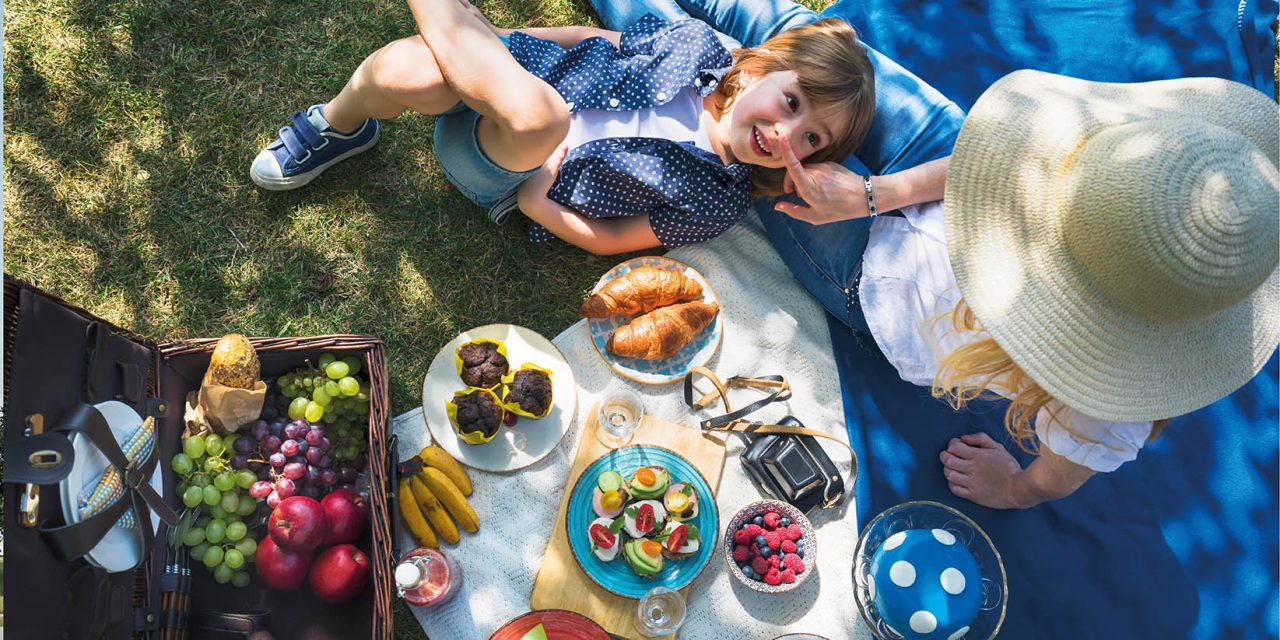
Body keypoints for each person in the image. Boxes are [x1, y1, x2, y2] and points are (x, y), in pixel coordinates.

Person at [587, 0, 1279, 508]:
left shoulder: (1110, 398)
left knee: (754, 141)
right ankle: (658, 37)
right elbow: (995, 158)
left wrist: (1011, 489)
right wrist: (876, 192)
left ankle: (629, 54)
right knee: (796, 58)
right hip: (943, 163)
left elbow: (1057, 476)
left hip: (875, 276)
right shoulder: (1135, 182)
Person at [248, 0, 875, 255]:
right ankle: (340, 125)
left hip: (506, 162)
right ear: (766, 67)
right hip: (520, 73)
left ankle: (448, 18)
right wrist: (505, 42)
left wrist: (538, 199)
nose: (787, 136)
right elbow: (592, 39)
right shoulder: (697, 44)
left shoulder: (719, 198)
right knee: (406, 73)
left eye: (812, 140)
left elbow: (614, 241)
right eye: (792, 103)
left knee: (540, 118)